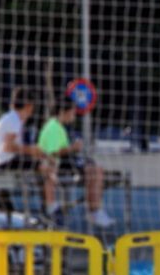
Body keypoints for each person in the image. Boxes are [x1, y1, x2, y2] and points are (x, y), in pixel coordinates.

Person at [37, 97, 114, 228]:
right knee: (95, 171)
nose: (74, 116)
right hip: (59, 167)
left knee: (95, 169)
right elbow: (53, 152)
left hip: (63, 164)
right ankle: (94, 211)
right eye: (72, 112)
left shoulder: (58, 127)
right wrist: (73, 148)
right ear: (63, 112)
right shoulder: (53, 127)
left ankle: (94, 210)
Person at [0, 87, 56, 213]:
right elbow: (8, 147)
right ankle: (51, 206)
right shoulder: (14, 120)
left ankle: (46, 204)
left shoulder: (10, 118)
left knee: (39, 162)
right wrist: (32, 150)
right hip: (5, 162)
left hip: (3, 160)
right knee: (46, 167)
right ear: (28, 105)